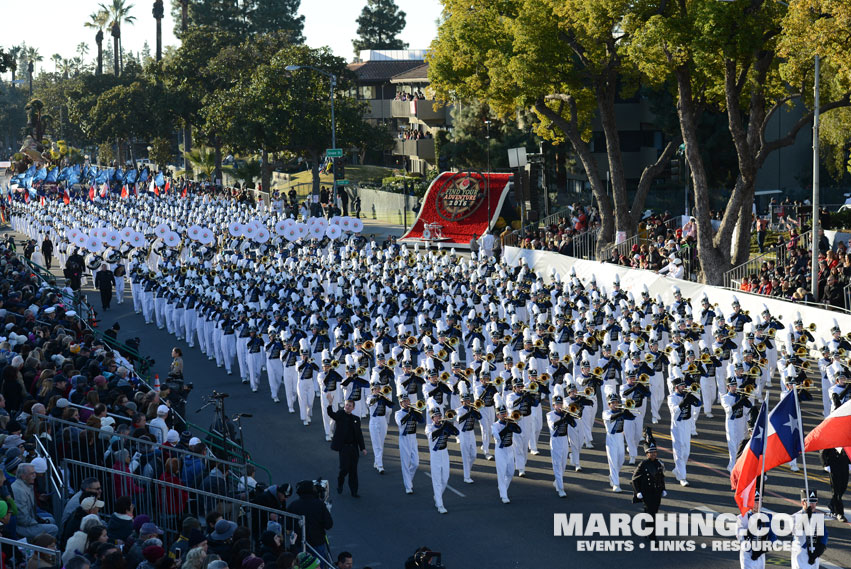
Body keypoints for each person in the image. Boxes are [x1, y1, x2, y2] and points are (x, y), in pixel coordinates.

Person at [326, 393, 366, 497]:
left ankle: (354, 491)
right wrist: (330, 403)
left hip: (354, 448)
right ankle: (340, 481)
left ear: (353, 408)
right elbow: (331, 414)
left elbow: (359, 435)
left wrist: (363, 448)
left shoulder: (356, 419)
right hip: (344, 448)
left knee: (353, 470)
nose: (347, 407)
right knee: (344, 469)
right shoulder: (340, 414)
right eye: (346, 405)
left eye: (349, 406)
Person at [286, 481, 333, 563]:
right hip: (317, 543)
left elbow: (287, 525)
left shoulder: (293, 505)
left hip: (299, 544)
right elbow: (328, 525)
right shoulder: (320, 505)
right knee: (317, 565)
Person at [424, 404, 459, 514]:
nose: (439, 417)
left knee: (445, 478)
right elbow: (431, 436)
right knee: (437, 481)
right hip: (435, 455)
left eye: (439, 415)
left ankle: (437, 495)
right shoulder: (429, 427)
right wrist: (443, 427)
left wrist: (449, 424)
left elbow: (456, 432)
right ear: (432, 418)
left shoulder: (444, 425)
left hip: (444, 453)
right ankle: (440, 504)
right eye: (436, 416)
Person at [631, 437, 666, 540]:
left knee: (652, 512)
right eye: (651, 452)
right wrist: (638, 492)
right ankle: (652, 535)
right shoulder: (643, 464)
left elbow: (661, 477)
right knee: (651, 514)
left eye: (655, 452)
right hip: (647, 493)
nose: (654, 454)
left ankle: (647, 530)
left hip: (657, 492)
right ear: (647, 454)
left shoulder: (659, 463)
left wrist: (663, 489)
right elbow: (634, 479)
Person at [12, 463, 59, 538]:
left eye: (35, 473)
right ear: (23, 476)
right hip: (22, 527)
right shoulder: (18, 490)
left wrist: (40, 520)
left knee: (51, 520)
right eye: (32, 474)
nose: (35, 476)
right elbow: (22, 519)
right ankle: (45, 547)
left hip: (30, 520)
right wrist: (37, 522)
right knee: (54, 529)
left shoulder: (28, 485)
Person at [791, 490, 828, 569]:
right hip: (800, 555)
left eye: (814, 502)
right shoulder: (795, 516)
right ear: (803, 503)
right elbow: (796, 531)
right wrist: (807, 518)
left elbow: (824, 535)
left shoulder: (818, 517)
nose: (813, 505)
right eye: (810, 502)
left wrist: (819, 551)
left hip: (814, 554)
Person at [821, 447, 849, 522]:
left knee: (843, 487)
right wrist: (825, 464)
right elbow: (822, 452)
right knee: (836, 490)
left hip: (844, 465)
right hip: (833, 466)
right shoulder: (830, 439)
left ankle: (832, 504)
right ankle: (839, 513)